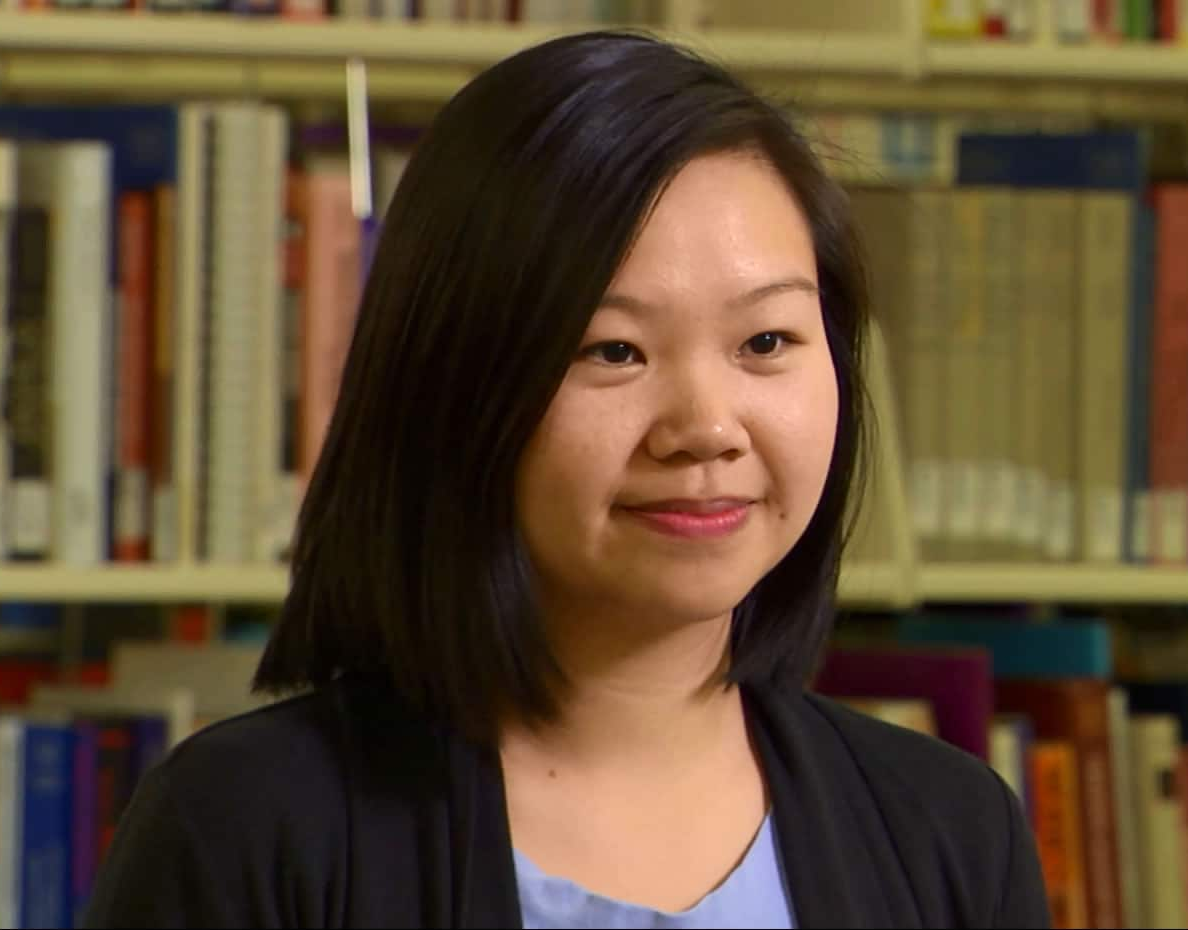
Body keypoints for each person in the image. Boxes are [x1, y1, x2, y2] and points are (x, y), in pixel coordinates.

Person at [79, 29, 1050, 930]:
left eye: (766, 340)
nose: (706, 428)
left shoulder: (949, 836)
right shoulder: (249, 830)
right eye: (613, 350)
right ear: (454, 383)